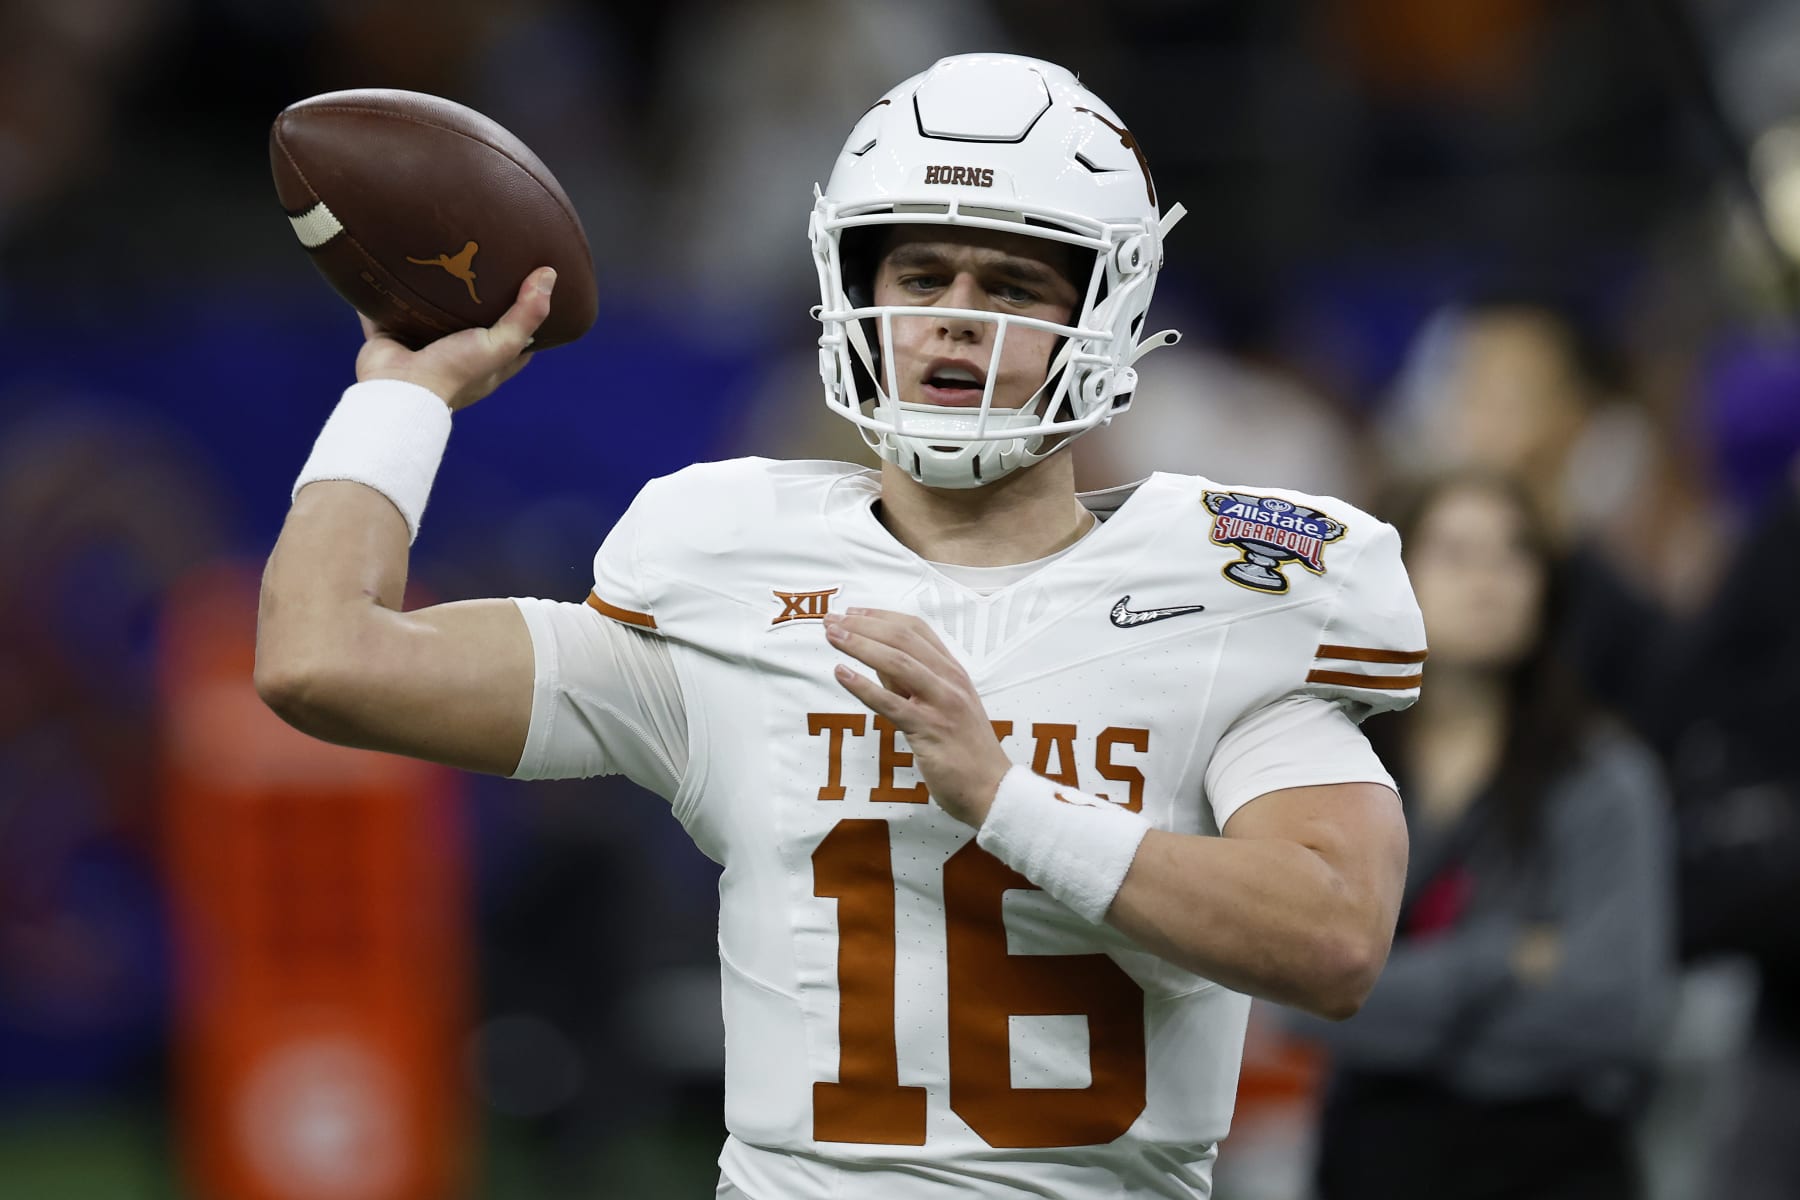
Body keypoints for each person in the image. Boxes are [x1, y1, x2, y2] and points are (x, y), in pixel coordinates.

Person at [255, 54, 1422, 1199]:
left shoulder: (1228, 586)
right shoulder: (730, 566)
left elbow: (1332, 943)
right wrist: (399, 397)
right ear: (855, 293)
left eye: (1010, 288)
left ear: (1106, 309)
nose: (955, 322)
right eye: (920, 278)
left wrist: (1005, 800)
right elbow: (322, 657)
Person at [1294, 471, 1675, 1200]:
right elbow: (1295, 997)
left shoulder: (1604, 777)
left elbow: (1614, 1008)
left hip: (1555, 1162)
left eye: (1515, 555)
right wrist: (1501, 960)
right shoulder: (1329, 762)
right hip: (1372, 1157)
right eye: (1457, 554)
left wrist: (1389, 1009)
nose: (1490, 581)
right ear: (1392, 580)